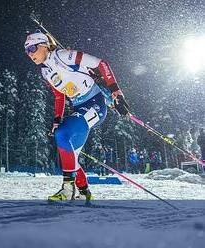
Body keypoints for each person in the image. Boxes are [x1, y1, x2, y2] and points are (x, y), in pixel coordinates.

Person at [24, 31, 130, 201]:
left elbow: (102, 64)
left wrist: (116, 92)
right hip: (79, 108)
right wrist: (57, 119)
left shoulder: (64, 56)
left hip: (95, 104)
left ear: (44, 45)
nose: (30, 54)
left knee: (63, 135)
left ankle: (67, 190)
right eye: (27, 51)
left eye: (32, 48)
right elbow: (59, 95)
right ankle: (84, 191)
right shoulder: (45, 72)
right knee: (69, 154)